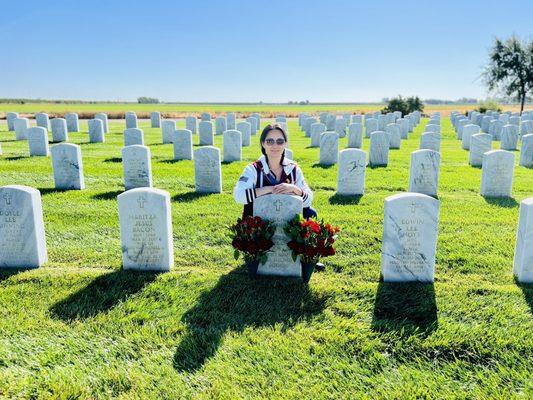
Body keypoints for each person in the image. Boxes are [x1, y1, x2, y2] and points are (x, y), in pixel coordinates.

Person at [233, 123, 317, 219]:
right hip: (259, 223)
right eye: (270, 141)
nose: (275, 145)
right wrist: (270, 189)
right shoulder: (253, 169)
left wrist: (295, 189)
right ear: (263, 144)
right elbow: (239, 196)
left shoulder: (293, 169)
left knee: (311, 213)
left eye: (280, 141)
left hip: (288, 222)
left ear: (285, 144)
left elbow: (308, 201)